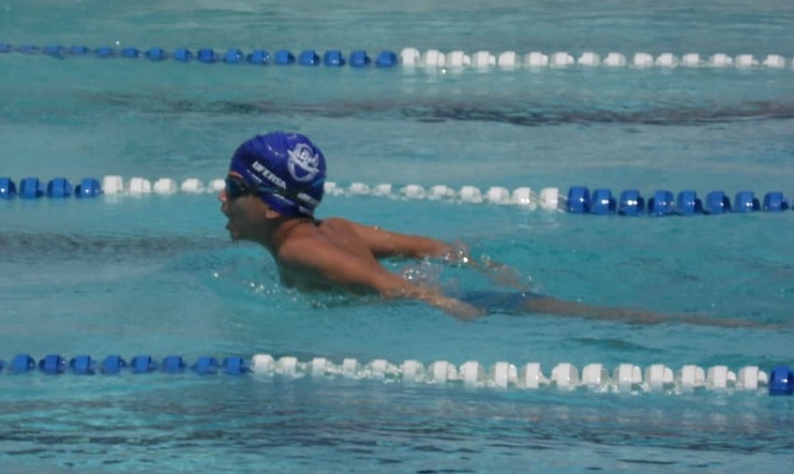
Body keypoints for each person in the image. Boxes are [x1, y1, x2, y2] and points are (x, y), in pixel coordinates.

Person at [219, 131, 758, 327]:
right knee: (609, 314)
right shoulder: (335, 227)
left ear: (270, 205)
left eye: (234, 187)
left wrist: (460, 313)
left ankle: (730, 325)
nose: (223, 198)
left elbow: (393, 287)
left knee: (621, 320)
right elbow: (435, 248)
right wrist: (491, 272)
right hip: (477, 292)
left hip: (473, 306)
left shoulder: (299, 252)